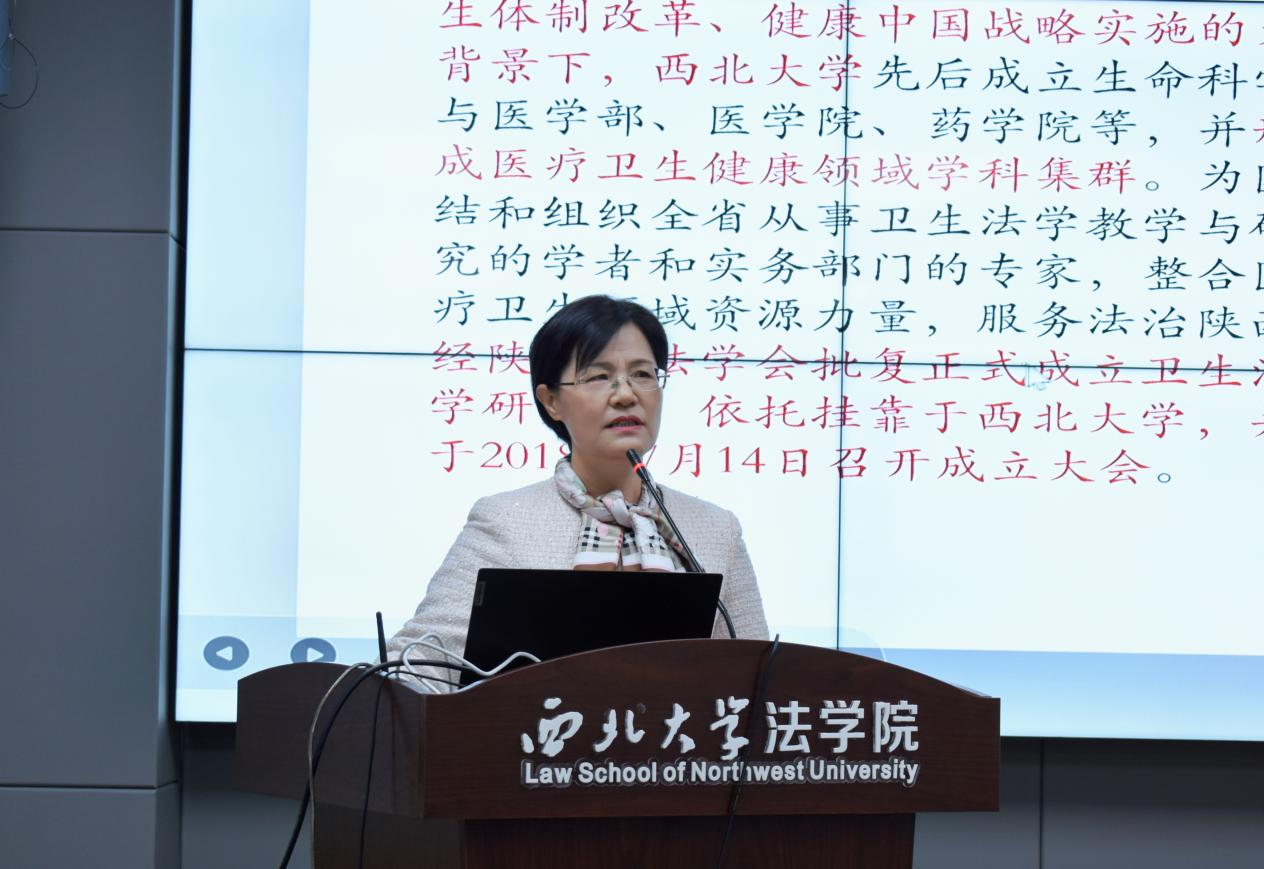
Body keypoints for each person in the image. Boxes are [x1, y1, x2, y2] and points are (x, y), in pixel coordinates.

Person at [387, 295, 768, 673]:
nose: (626, 395)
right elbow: (419, 661)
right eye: (599, 376)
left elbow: (762, 676)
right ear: (551, 401)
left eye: (642, 374)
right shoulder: (506, 521)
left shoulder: (716, 529)